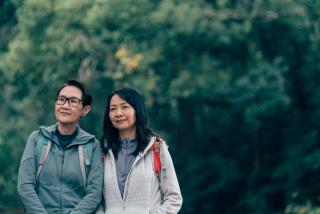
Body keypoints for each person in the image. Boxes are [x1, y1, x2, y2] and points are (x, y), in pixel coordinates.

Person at [18, 79, 103, 213]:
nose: (65, 105)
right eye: (61, 99)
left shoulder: (92, 145)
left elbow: (95, 192)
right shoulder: (37, 138)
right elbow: (25, 186)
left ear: (85, 110)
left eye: (73, 101)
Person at [96, 87, 183, 214]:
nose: (118, 113)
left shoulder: (156, 148)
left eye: (124, 107)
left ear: (138, 110)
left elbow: (174, 198)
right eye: (113, 109)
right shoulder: (102, 151)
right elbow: (97, 199)